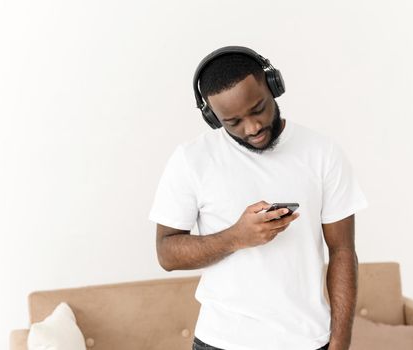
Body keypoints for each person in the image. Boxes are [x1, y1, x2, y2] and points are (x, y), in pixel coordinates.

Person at [148, 46, 368, 350]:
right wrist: (236, 237)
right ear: (213, 118)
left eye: (258, 108)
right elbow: (167, 253)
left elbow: (342, 250)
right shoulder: (191, 160)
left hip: (307, 341)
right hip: (220, 342)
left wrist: (340, 343)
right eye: (233, 122)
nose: (252, 128)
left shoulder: (323, 154)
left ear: (274, 86)